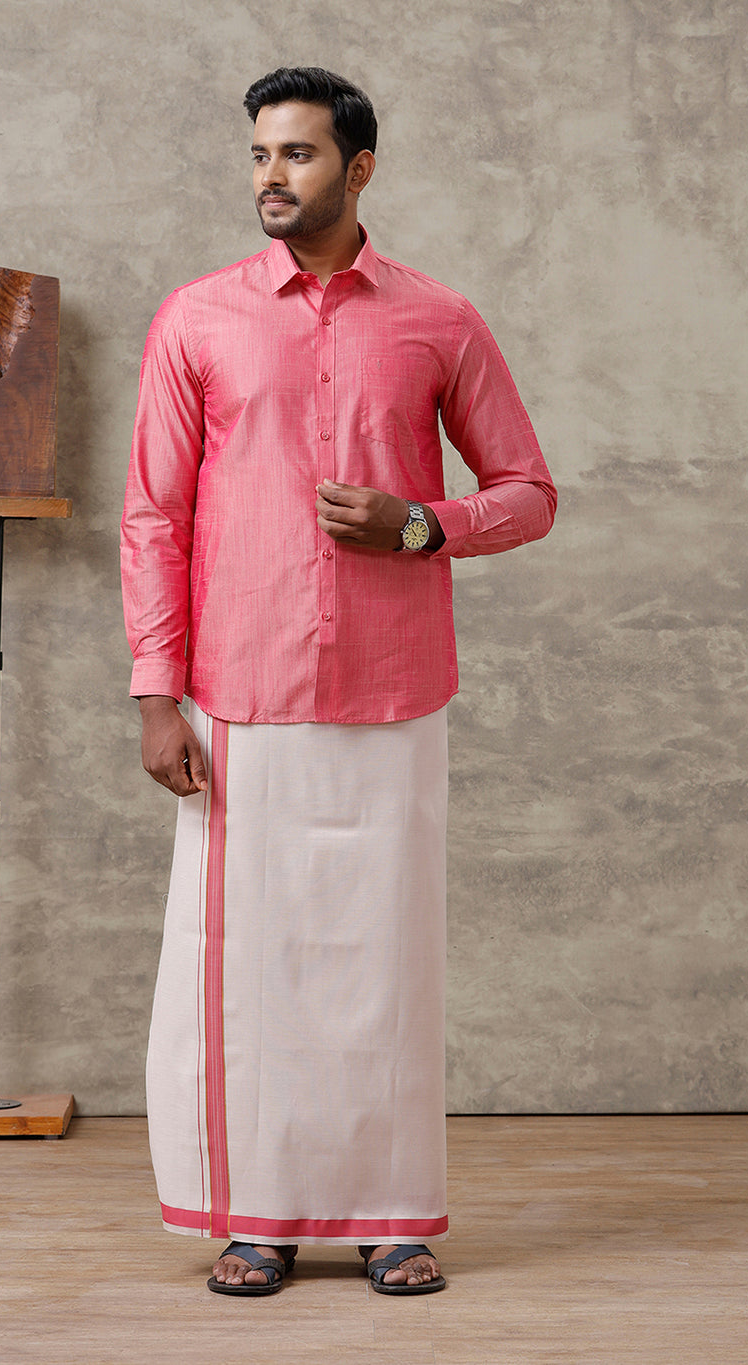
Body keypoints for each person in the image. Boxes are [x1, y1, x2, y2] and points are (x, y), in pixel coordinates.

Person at [121, 66, 555, 1297]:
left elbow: (528, 491)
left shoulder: (439, 320)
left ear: (359, 168)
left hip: (391, 687)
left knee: (380, 965)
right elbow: (152, 516)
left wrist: (420, 526)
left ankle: (388, 1217)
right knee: (250, 971)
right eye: (261, 153)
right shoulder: (197, 319)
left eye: (299, 154)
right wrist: (156, 694)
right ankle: (257, 1220)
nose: (272, 175)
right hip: (238, 693)